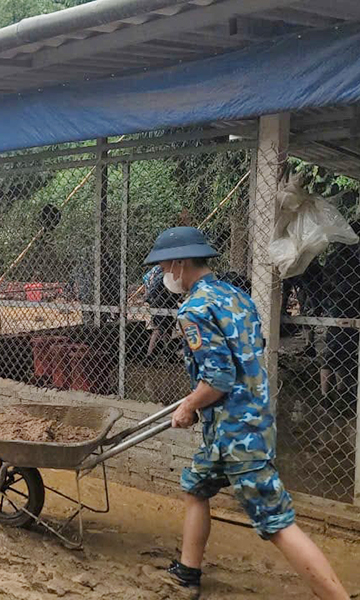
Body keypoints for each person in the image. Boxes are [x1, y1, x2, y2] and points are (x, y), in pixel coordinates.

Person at [143, 227, 348, 600]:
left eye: (162, 267)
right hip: (246, 419)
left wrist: (189, 405)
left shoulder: (194, 309)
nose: (162, 275)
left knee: (276, 522)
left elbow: (218, 378)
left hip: (236, 433)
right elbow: (248, 355)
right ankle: (188, 571)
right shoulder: (236, 295)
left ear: (179, 263)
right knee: (196, 486)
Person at [319, 221, 360, 404]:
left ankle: (328, 395)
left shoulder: (334, 258)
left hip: (337, 307)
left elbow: (326, 284)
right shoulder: (353, 258)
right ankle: (338, 392)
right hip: (349, 306)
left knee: (335, 350)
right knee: (345, 350)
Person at [142, 264, 178, 361]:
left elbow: (145, 279)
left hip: (162, 302)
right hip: (160, 302)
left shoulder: (155, 270)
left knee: (168, 327)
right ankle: (149, 355)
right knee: (159, 328)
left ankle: (169, 352)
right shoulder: (163, 273)